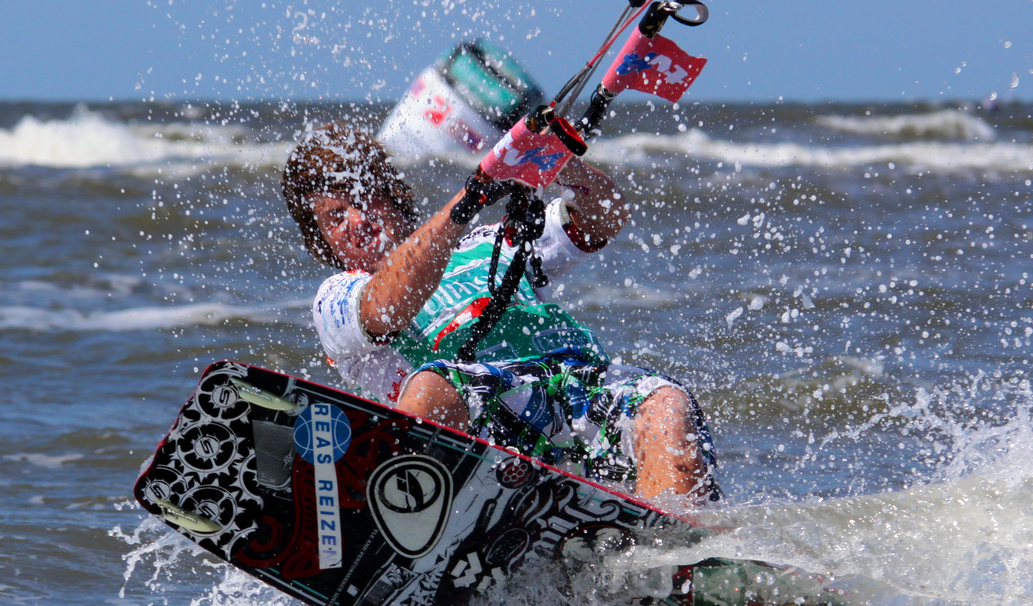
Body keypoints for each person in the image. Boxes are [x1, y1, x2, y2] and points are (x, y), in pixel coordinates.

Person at [282, 122, 717, 504]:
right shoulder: (336, 299)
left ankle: (677, 558)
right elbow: (388, 306)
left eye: (368, 200)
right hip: (486, 433)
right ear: (321, 241)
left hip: (574, 392)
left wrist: (550, 156)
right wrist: (470, 197)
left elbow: (605, 216)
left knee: (666, 405)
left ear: (394, 198)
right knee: (432, 386)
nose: (358, 220)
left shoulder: (491, 242)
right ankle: (402, 515)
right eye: (336, 216)